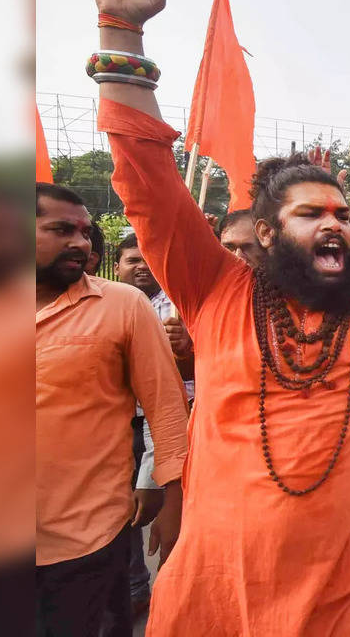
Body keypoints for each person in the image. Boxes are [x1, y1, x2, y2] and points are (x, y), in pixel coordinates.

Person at [92, 0, 350, 636]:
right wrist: (122, 36)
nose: (335, 222)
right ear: (268, 234)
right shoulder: (216, 288)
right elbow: (148, 181)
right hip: (227, 576)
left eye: (343, 213)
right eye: (311, 213)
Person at [35, 182, 189, 636]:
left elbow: (166, 408)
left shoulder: (122, 305)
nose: (80, 242)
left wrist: (171, 497)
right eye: (62, 230)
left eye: (85, 232)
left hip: (88, 536)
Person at [113, 232, 196, 617]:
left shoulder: (182, 307)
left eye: (148, 260)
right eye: (132, 260)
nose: (141, 268)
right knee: (116, 513)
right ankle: (131, 590)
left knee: (159, 517)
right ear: (117, 267)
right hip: (115, 426)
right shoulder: (105, 305)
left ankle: (158, 594)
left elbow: (177, 387)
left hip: (172, 421)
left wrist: (184, 348)